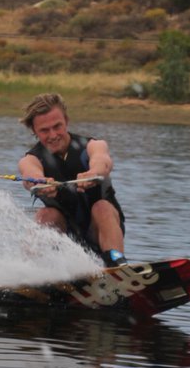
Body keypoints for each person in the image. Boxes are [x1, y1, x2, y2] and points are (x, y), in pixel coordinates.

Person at [18, 93, 127, 266]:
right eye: (44, 130)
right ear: (34, 131)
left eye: (57, 126)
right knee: (46, 215)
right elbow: (29, 175)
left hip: (99, 230)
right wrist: (39, 182)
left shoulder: (93, 146)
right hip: (65, 236)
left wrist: (94, 173)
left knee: (102, 207)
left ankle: (117, 266)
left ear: (66, 121)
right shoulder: (31, 159)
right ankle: (28, 273)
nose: (53, 135)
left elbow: (102, 162)